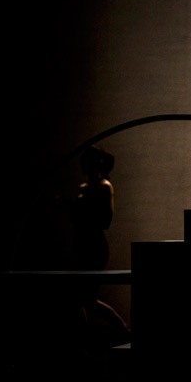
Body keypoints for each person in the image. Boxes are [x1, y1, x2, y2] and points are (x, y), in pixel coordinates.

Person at [71, 145, 130, 338]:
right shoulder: (84, 188)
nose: (84, 164)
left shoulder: (104, 187)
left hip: (94, 247)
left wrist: (81, 208)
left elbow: (105, 221)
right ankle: (84, 338)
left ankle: (124, 330)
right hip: (82, 245)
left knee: (86, 298)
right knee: (77, 298)